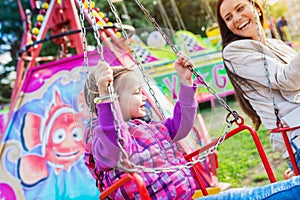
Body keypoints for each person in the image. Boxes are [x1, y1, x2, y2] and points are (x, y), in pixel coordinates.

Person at [84, 52, 198, 199]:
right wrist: (106, 97)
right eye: (137, 92)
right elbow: (117, 146)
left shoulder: (150, 127)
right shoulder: (102, 137)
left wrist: (186, 82)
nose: (144, 97)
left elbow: (182, 125)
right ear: (115, 101)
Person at [216, 0, 300, 177]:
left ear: (256, 7)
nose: (237, 18)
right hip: (296, 137)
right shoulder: (234, 52)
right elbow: (288, 80)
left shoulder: (276, 44)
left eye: (240, 9)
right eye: (229, 18)